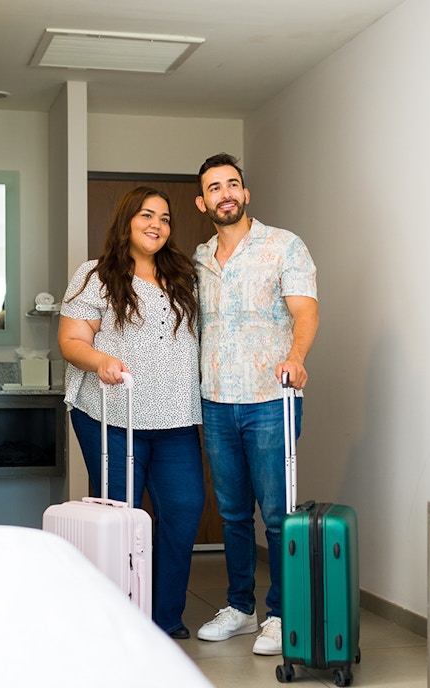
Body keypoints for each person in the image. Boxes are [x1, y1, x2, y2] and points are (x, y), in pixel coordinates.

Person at [58, 186, 205, 640]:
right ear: (127, 221)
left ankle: (163, 617)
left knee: (183, 509)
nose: (156, 224)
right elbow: (71, 341)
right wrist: (100, 361)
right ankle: (120, 615)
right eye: (146, 215)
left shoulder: (185, 277)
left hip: (177, 416)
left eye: (164, 218)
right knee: (121, 516)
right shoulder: (96, 275)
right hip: (111, 414)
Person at [192, 153, 319, 655]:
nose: (225, 193)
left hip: (271, 400)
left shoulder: (284, 245)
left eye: (233, 184)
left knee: (277, 514)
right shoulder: (198, 259)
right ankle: (241, 609)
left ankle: (281, 613)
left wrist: (297, 356)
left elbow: (305, 311)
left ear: (245, 194)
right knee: (231, 514)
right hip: (217, 402)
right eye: (214, 188)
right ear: (203, 202)